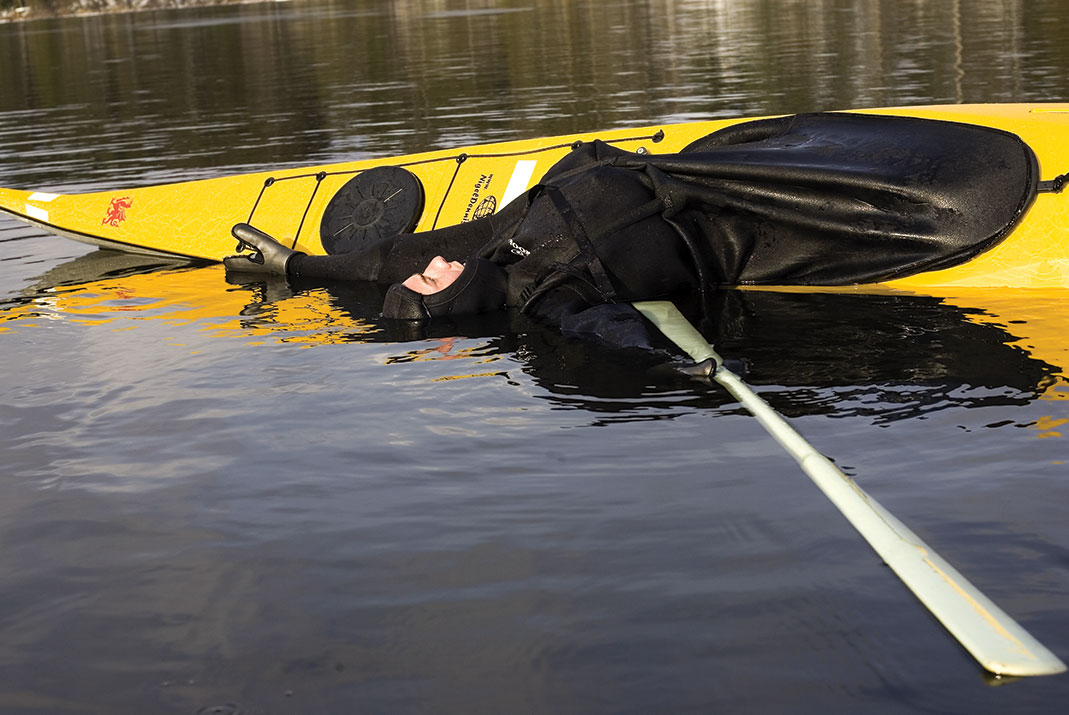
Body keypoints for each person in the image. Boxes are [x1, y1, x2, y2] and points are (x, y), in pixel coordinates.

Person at [225, 112, 1040, 346]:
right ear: (451, 314)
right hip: (732, 209)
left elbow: (378, 261)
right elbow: (603, 329)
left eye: (421, 275)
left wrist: (294, 267)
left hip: (667, 163)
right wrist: (680, 359)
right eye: (428, 288)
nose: (426, 270)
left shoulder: (473, 254)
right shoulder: (554, 298)